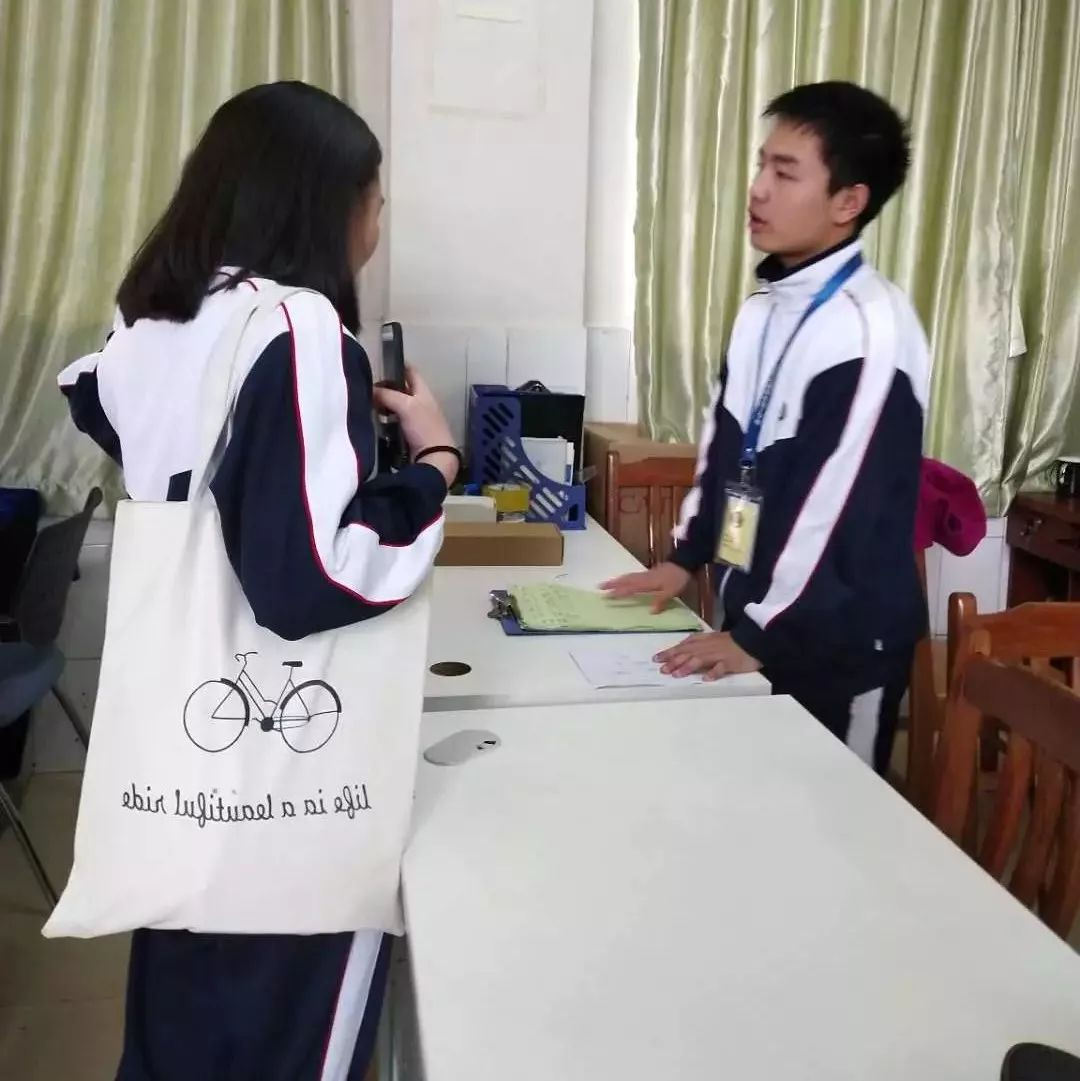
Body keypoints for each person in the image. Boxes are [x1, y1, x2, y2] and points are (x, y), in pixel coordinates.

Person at [58, 81, 457, 1081]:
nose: (376, 228)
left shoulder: (150, 322)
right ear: (324, 205)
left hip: (181, 751)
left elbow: (101, 402)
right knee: (290, 1034)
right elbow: (315, 578)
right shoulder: (299, 329)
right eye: (374, 203)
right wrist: (432, 464)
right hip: (288, 779)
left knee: (183, 1018)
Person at [604, 81, 929, 775]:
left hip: (839, 643)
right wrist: (685, 558)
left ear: (848, 202)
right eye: (761, 165)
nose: (757, 189)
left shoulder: (869, 329)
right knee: (747, 798)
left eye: (785, 173)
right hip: (763, 622)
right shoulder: (762, 311)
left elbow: (836, 509)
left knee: (831, 818)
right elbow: (724, 448)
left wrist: (759, 634)